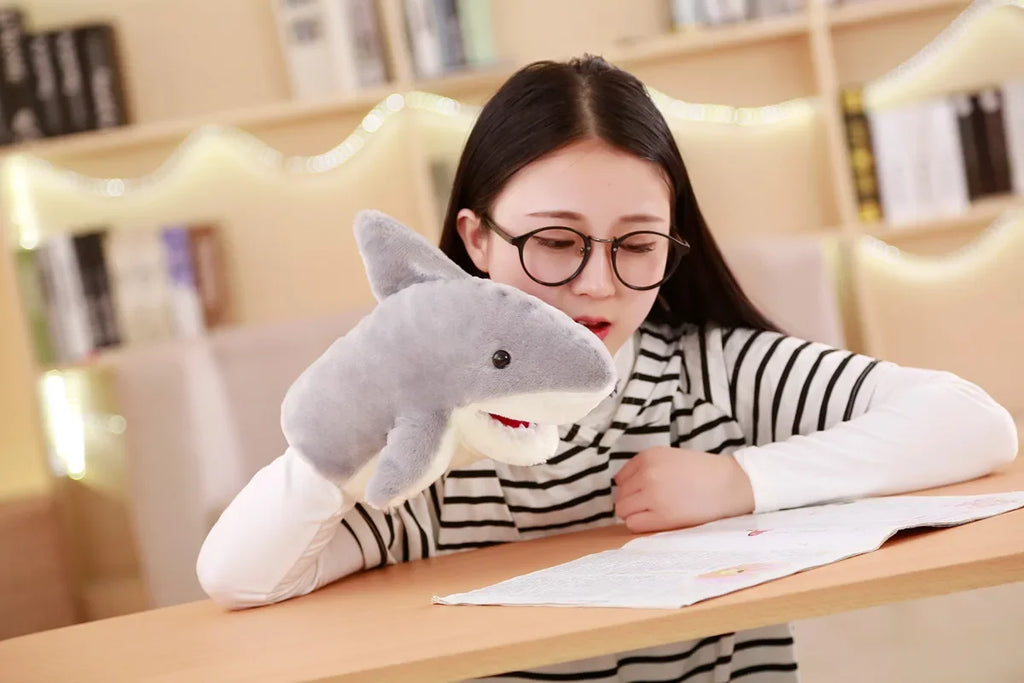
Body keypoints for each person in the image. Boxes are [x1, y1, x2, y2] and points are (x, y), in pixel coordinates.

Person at [196, 56, 1018, 682]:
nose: (598, 283)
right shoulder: (432, 442)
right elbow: (241, 576)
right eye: (555, 242)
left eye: (636, 244)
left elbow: (971, 422)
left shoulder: (711, 378)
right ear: (477, 239)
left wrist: (738, 478)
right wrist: (357, 408)